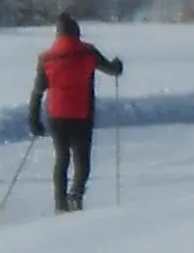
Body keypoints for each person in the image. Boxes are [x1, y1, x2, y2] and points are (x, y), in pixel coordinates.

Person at [28, 12, 124, 213]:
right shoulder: (88, 53)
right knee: (82, 161)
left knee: (61, 158)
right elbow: (110, 69)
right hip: (81, 114)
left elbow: (37, 91)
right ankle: (76, 194)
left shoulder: (47, 58)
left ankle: (60, 202)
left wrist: (34, 119)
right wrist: (117, 66)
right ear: (76, 32)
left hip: (56, 115)